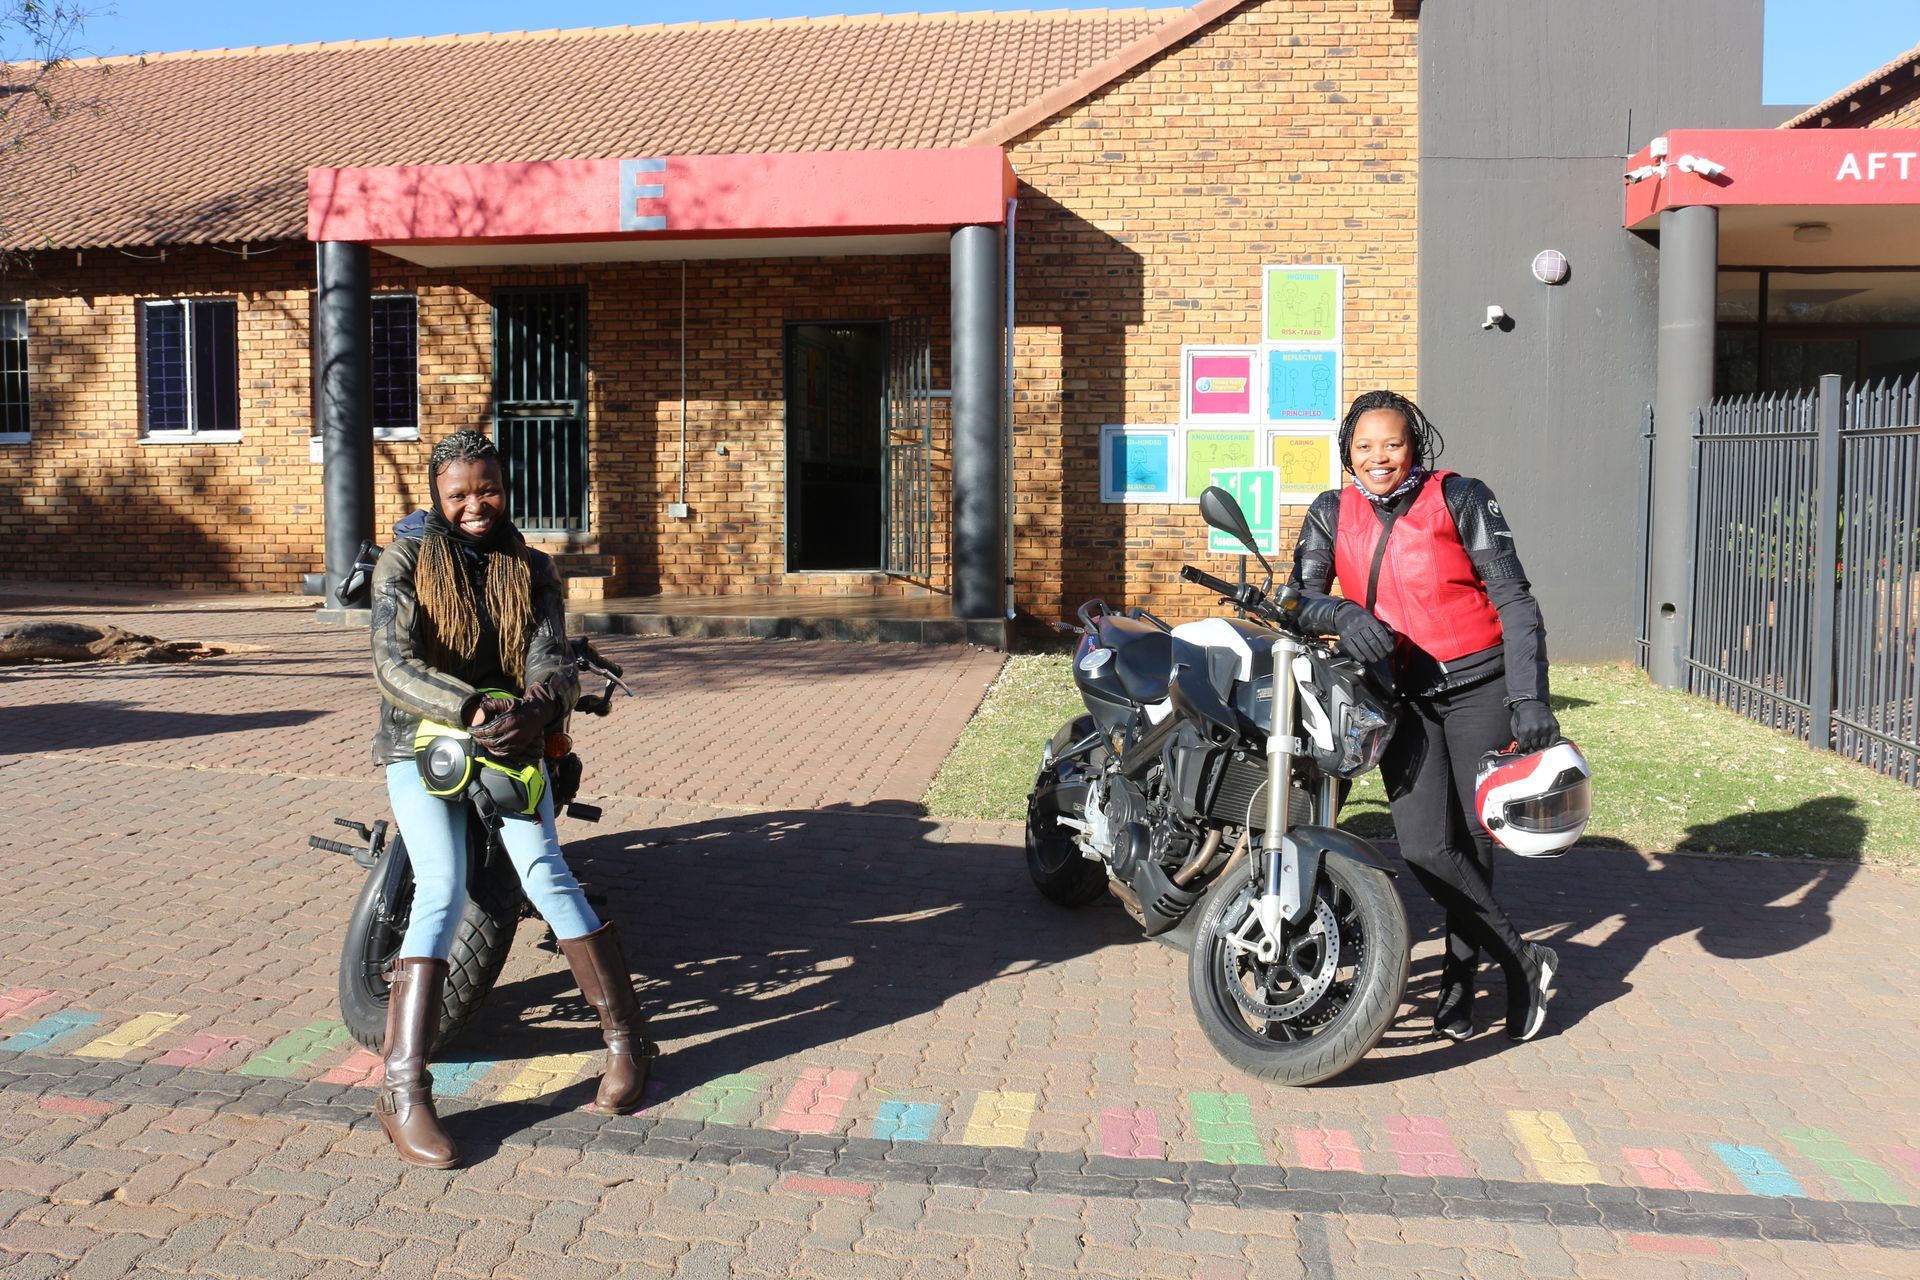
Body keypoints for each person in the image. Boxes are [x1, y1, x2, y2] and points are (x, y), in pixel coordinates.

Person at [366, 429, 656, 1167]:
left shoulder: (531, 568)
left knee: (547, 872)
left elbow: (551, 654)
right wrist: (468, 708)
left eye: (486, 489)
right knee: (440, 884)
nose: (474, 504)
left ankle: (628, 1041)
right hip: (421, 739)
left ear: (505, 488)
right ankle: (402, 1091)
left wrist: (536, 705)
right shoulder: (402, 559)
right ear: (436, 494)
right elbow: (393, 662)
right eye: (458, 492)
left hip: (515, 741)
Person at [1287, 390, 1560, 1043]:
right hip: (1397, 696)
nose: (1379, 457)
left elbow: (1515, 600)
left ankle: (1460, 982)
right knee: (1423, 847)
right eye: (1365, 447)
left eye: (1393, 444)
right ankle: (1524, 960)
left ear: (1416, 444)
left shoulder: (1461, 497)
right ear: (1348, 453)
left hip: (1479, 688)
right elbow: (1298, 600)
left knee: (1472, 839)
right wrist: (1343, 616)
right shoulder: (1330, 512)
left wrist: (1529, 696)